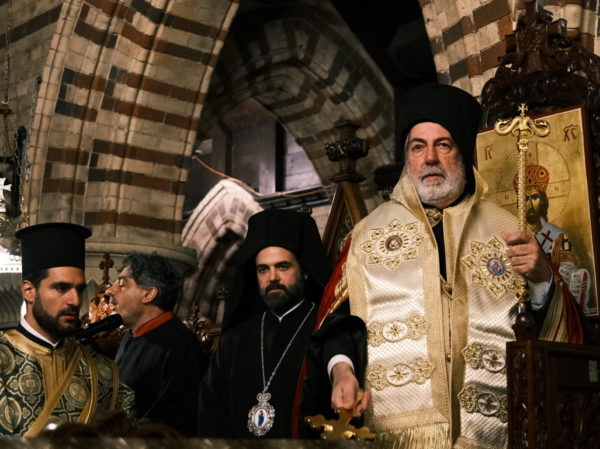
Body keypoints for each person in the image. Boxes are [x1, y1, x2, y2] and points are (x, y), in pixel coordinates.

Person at [309, 84, 585, 449]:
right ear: (407, 157)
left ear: (462, 153)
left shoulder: (508, 228)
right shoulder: (367, 235)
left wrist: (541, 279)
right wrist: (342, 370)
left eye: (443, 144)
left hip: (494, 436)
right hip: (394, 437)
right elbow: (337, 326)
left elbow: (555, 339)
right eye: (417, 146)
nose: (430, 158)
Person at [197, 208, 331, 438]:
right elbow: (211, 413)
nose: (273, 278)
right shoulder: (234, 342)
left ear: (305, 272)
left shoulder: (326, 331)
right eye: (263, 269)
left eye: (283, 266)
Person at [0, 222, 136, 436]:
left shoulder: (104, 372)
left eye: (79, 289)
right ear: (28, 291)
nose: (75, 300)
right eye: (61, 288)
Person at [106, 252, 208, 437]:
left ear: (148, 294)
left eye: (122, 284)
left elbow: (173, 420)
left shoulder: (180, 345)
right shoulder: (132, 335)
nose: (109, 291)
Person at [517, 164, 592, 312]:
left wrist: (566, 274)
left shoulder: (557, 235)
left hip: (553, 299)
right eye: (525, 198)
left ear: (542, 200)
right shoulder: (516, 235)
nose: (530, 204)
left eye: (534, 197)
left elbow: (569, 267)